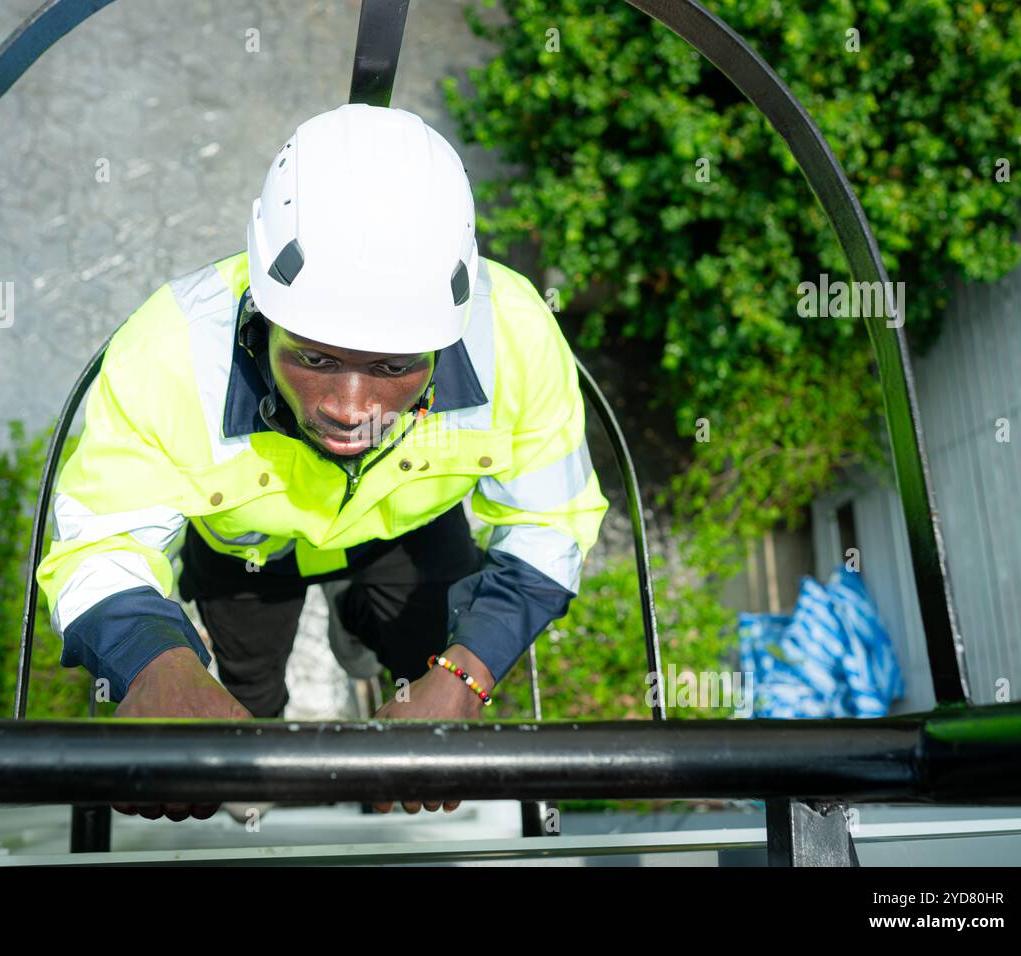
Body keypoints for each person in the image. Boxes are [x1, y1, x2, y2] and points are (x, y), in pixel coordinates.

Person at [36, 103, 610, 822]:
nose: (349, 407)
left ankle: (363, 658)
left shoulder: (516, 334)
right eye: (313, 357)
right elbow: (100, 538)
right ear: (264, 307)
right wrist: (159, 668)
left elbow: (549, 519)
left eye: (395, 365)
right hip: (250, 554)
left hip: (407, 530)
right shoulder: (169, 352)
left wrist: (465, 674)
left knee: (429, 667)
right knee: (245, 691)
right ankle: (264, 781)